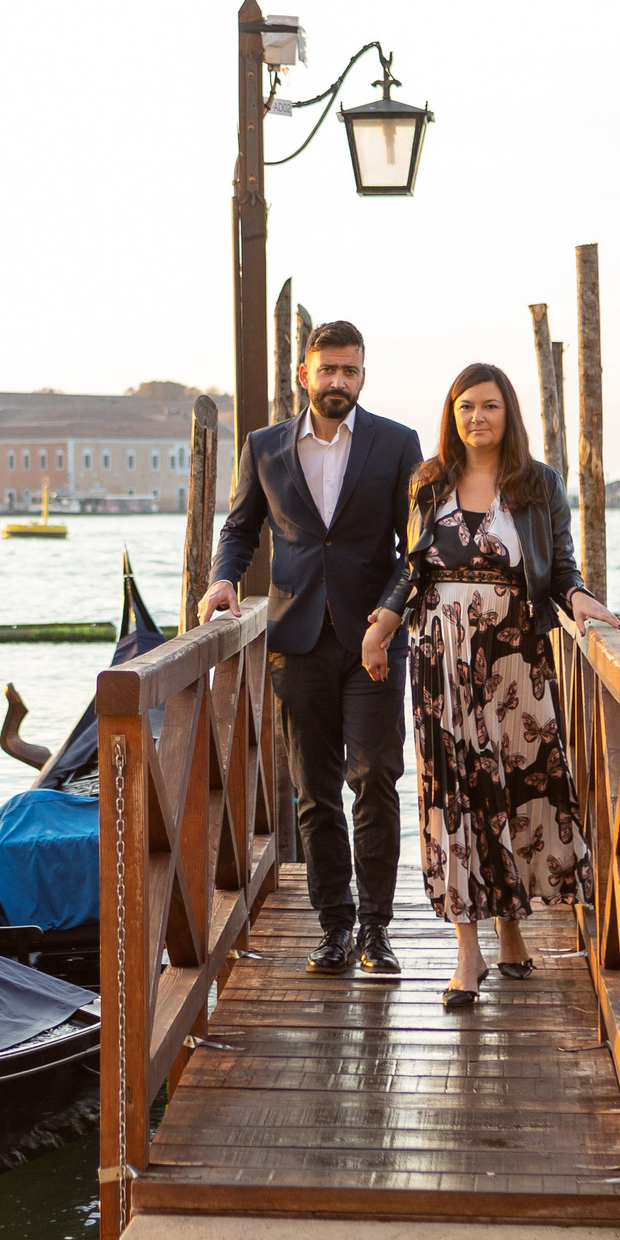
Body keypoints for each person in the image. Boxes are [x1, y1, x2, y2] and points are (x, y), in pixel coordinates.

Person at [363, 362, 620, 1009]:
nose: (476, 417)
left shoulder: (538, 485)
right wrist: (382, 621)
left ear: (509, 413)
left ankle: (513, 930)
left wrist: (582, 598)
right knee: (455, 797)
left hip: (515, 663)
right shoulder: (430, 484)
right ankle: (467, 952)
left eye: (488, 406)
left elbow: (559, 565)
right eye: (464, 407)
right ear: (453, 416)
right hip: (440, 661)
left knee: (514, 789)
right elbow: (413, 565)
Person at [199, 320, 424, 977]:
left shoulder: (396, 444)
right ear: (304, 374)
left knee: (375, 779)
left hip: (375, 641)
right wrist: (222, 578)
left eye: (350, 370)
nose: (338, 381)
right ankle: (334, 927)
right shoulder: (264, 446)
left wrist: (388, 615)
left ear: (363, 374)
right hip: (295, 642)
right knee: (314, 794)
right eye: (327, 370)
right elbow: (240, 528)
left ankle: (376, 932)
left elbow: (415, 549)